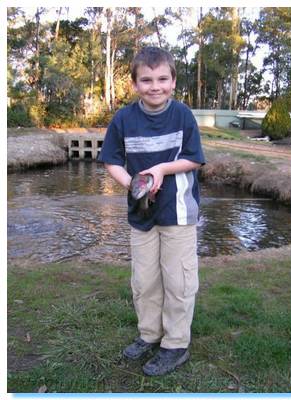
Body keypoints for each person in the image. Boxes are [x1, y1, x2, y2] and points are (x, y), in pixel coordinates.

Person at [98, 46, 205, 376]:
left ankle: (175, 344)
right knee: (144, 281)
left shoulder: (183, 116)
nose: (154, 86)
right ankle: (149, 335)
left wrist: (160, 170)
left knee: (178, 280)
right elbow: (111, 161)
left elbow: (194, 159)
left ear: (173, 81)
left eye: (162, 79)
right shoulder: (124, 119)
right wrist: (133, 183)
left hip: (178, 214)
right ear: (134, 84)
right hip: (141, 215)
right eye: (146, 80)